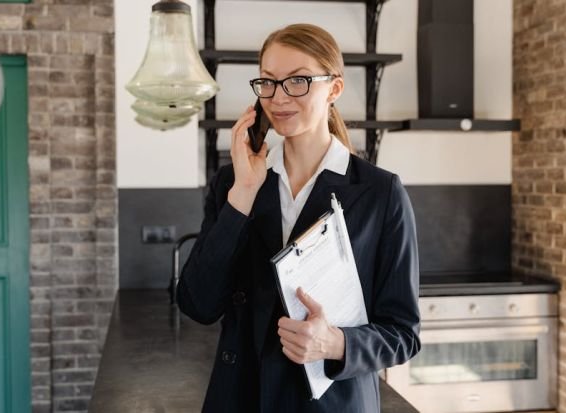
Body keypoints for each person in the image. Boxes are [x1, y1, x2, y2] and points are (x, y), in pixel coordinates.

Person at [176, 23, 421, 413]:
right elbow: (197, 304)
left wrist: (336, 343)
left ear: (334, 89)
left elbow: (403, 334)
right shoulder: (234, 181)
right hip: (241, 398)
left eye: (298, 81)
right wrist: (242, 195)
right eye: (269, 83)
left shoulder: (380, 193)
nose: (279, 97)